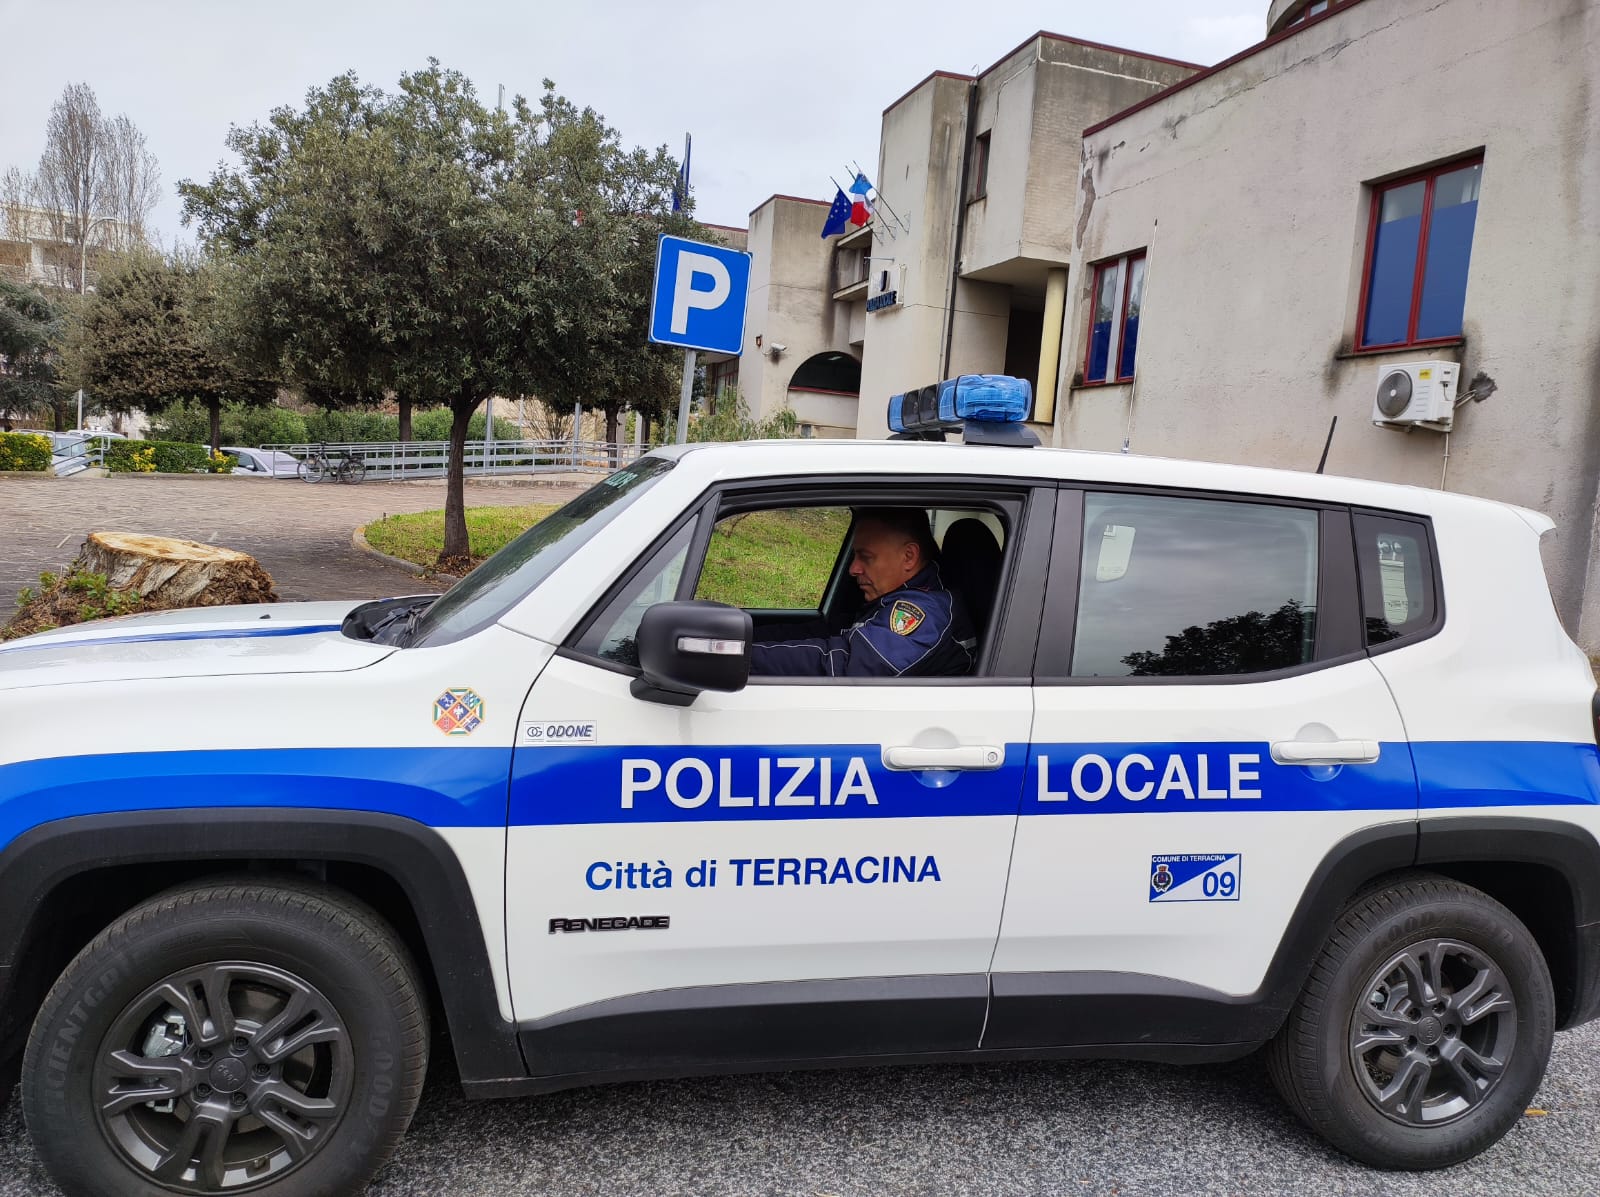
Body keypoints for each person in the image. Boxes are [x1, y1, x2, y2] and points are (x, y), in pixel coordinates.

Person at [750, 508, 975, 678]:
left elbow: (845, 663)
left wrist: (737, 658)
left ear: (908, 556)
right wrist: (743, 637)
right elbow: (824, 631)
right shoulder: (890, 600)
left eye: (865, 557)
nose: (853, 569)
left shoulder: (926, 613)